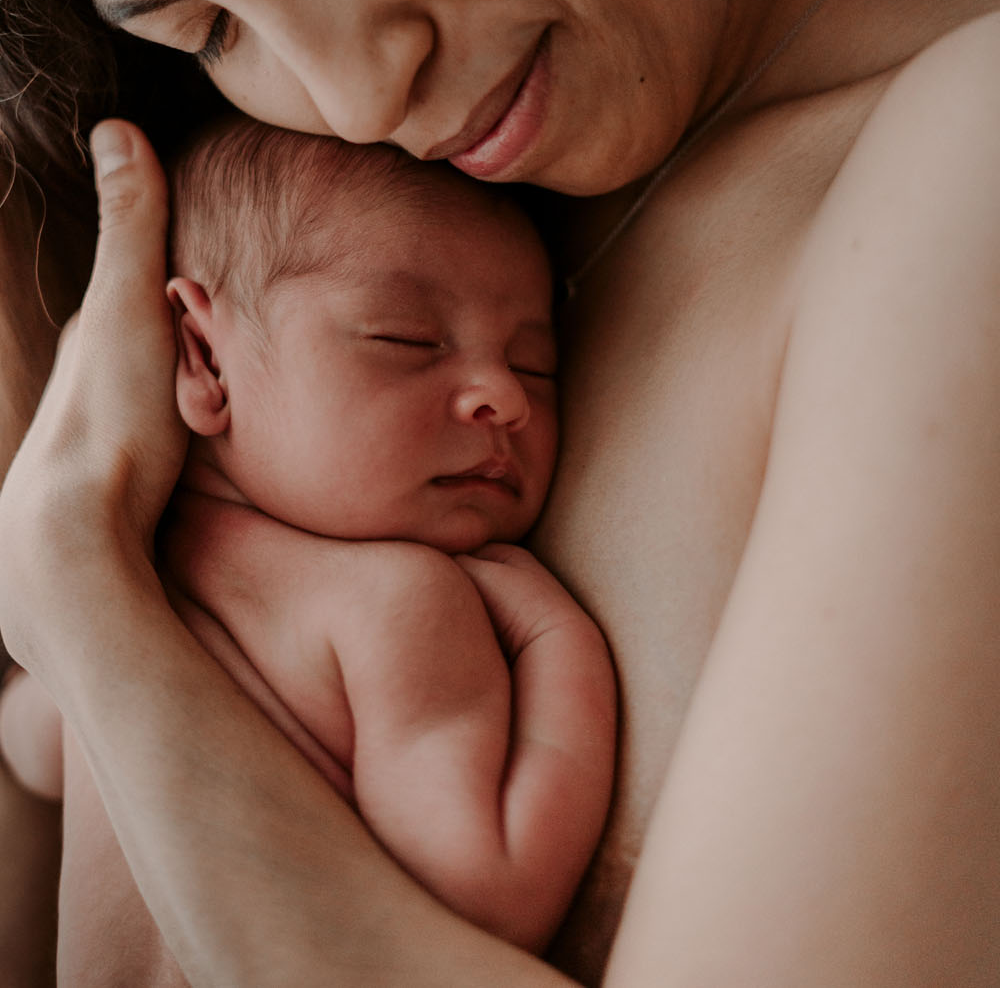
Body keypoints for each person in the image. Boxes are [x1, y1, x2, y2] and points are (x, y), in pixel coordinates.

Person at [1, 0, 1000, 985]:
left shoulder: (957, 158)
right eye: (200, 22)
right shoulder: (292, 252)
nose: (350, 87)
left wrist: (90, 602)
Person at [1, 114, 616, 974]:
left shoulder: (132, 580)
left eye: (536, 363)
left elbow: (29, 743)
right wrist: (561, 639)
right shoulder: (393, 603)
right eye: (406, 340)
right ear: (205, 359)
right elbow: (490, 890)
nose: (502, 397)